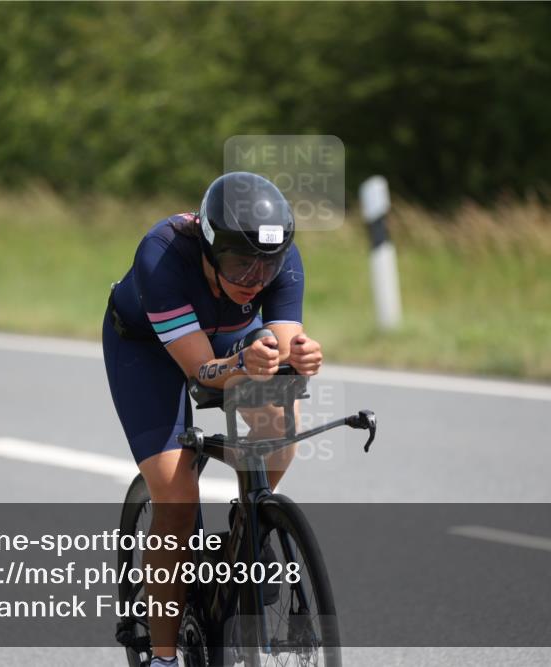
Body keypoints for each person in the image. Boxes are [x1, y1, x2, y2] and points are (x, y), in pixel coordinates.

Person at [103, 172, 323, 666]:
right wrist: (245, 364)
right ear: (209, 249)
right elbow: (200, 370)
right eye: (241, 267)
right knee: (176, 497)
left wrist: (298, 359)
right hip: (149, 349)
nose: (255, 280)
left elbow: (284, 351)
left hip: (226, 340)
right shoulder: (160, 255)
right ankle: (162, 656)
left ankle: (251, 528)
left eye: (266, 269)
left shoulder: (279, 260)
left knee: (279, 412)